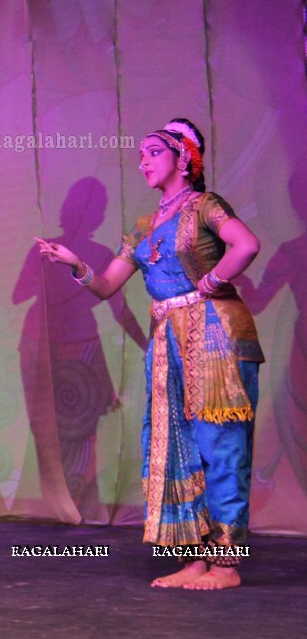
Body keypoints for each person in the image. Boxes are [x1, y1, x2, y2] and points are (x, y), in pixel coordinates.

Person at [37, 119, 262, 591]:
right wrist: (74, 263)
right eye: (140, 154)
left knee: (222, 449)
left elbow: (246, 245)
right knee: (179, 451)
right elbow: (106, 286)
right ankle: (195, 559)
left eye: (154, 152)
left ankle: (227, 564)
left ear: (184, 159)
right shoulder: (143, 227)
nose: (143, 161)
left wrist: (213, 281)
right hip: (169, 345)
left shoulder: (206, 206)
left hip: (215, 337)